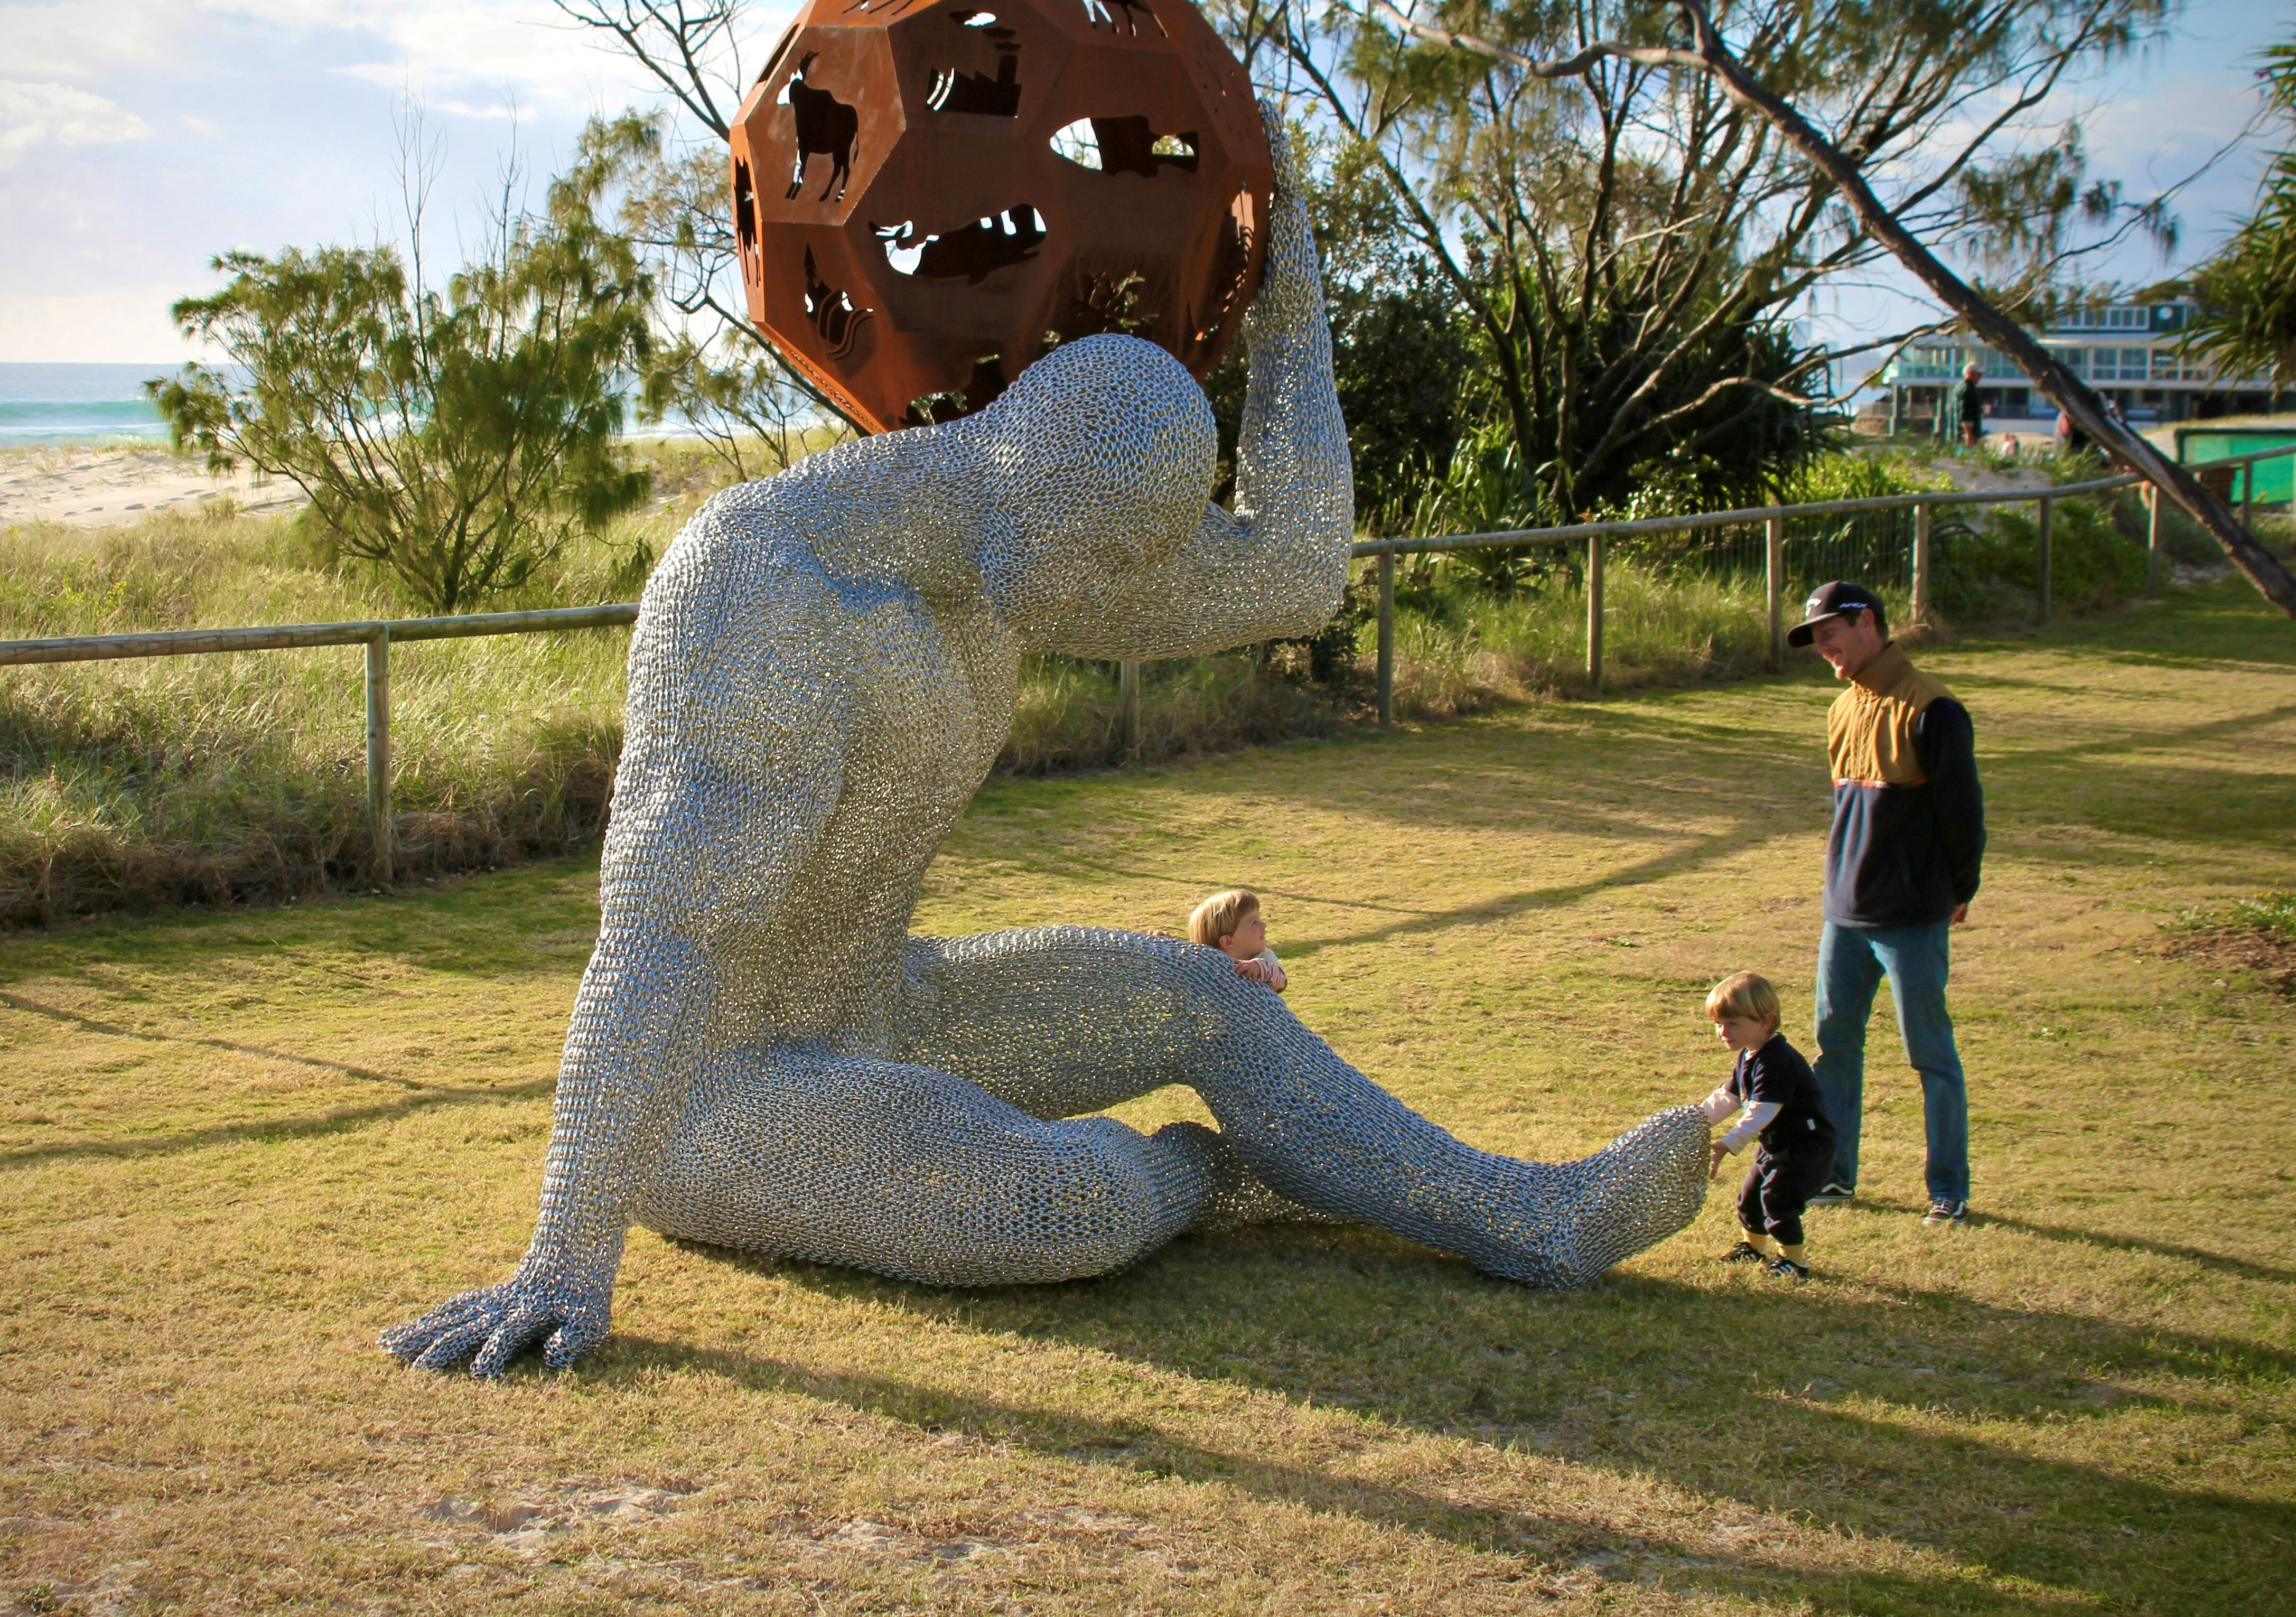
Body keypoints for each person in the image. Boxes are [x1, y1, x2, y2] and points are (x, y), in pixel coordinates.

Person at [381, 113, 1710, 1379]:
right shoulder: (759, 583)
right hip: (720, 1102)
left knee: (1208, 998)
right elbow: (658, 939)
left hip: (893, 1006)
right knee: (1066, 1200)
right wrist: (564, 1256)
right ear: (1028, 475)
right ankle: (1212, 1173)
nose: (1115, 595)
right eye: (1103, 556)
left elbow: (1297, 573)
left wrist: (1289, 283)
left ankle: (1530, 1215)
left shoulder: (1011, 556)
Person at [1787, 582, 1986, 1227]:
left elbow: (1963, 814)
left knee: (1929, 1052)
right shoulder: (1841, 710)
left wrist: (1959, 889)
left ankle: (1946, 1190)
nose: (1823, 649)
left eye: (1829, 634)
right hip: (1843, 913)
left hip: (1910, 915)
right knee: (1832, 1047)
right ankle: (1833, 1176)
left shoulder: (1932, 709)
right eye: (1815, 640)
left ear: (1866, 621)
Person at [1698, 972, 1835, 1280]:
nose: (1723, 1032)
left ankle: (1795, 1262)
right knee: (1750, 1196)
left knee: (1778, 1199)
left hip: (1805, 1146)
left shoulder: (1778, 1061)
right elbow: (1729, 1096)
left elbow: (1762, 1111)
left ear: (1765, 1022)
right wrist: (1693, 1122)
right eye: (1719, 1023)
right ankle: (1754, 1247)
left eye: (1733, 1023)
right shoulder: (1750, 1054)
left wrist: (1729, 1142)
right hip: (1776, 1143)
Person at [1189, 888, 1287, 992]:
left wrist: (1260, 969)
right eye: (1254, 923)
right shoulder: (1206, 962)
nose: (1264, 925)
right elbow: (1181, 972)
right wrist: (1170, 947)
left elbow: (1281, 982)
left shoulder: (1263, 956)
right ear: (1228, 941)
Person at [1956, 363, 1985, 448]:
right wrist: (1969, 436)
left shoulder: (1959, 387)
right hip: (1967, 437)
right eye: (1979, 374)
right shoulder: (1968, 390)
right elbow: (1966, 414)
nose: (1980, 377)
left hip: (1959, 435)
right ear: (1970, 373)